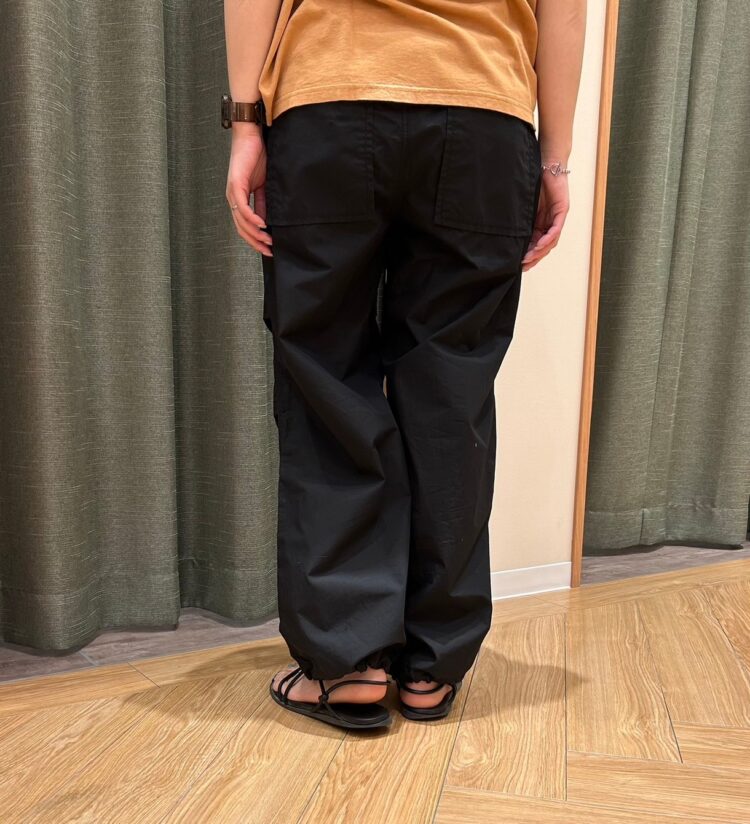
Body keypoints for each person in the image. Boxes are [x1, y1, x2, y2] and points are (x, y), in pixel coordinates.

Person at [223, 0, 586, 730]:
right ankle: (431, 666)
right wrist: (553, 159)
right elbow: (567, 10)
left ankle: (350, 661)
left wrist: (245, 125)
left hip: (329, 101)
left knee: (328, 384)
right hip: (484, 115)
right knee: (451, 396)